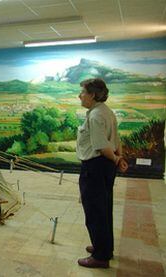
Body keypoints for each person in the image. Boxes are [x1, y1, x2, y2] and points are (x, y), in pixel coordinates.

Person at [76, 78, 128, 268]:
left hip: (95, 167)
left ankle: (100, 256)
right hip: (105, 166)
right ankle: (105, 247)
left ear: (92, 95)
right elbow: (116, 138)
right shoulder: (107, 112)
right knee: (104, 208)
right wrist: (118, 158)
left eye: (82, 92)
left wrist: (115, 159)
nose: (79, 96)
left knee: (95, 211)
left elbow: (101, 145)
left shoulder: (96, 115)